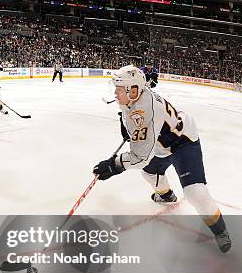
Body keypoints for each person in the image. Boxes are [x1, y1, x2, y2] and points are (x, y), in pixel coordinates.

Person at [93, 65, 231, 252]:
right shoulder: (135, 96)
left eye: (118, 88)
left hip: (183, 142)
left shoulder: (143, 110)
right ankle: (166, 194)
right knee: (149, 172)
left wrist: (114, 165)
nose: (115, 93)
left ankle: (220, 230)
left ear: (132, 90)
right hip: (160, 144)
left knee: (194, 192)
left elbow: (140, 157)